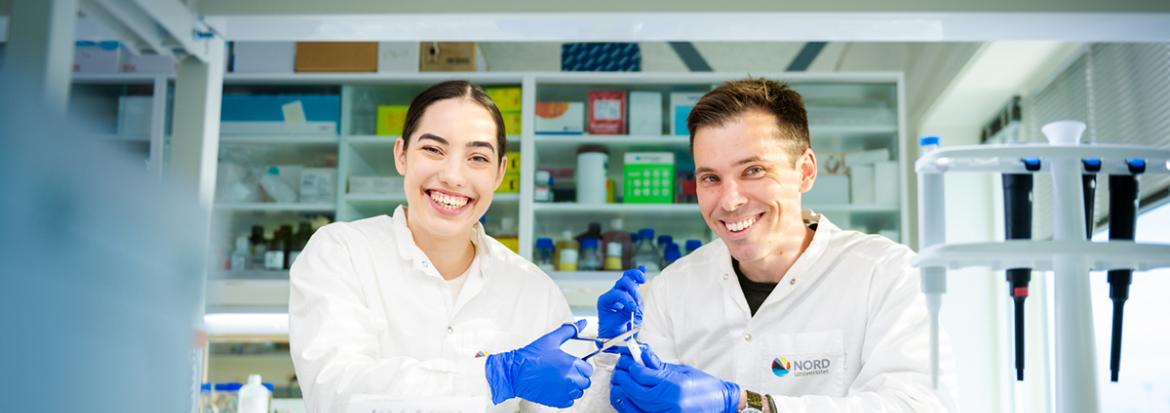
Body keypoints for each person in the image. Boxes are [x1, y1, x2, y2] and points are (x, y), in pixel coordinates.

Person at [597, 78, 958, 412]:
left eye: (752, 170)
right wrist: (609, 360)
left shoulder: (886, 273)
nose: (730, 201)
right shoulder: (672, 290)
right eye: (711, 178)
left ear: (805, 171)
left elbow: (918, 404)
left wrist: (748, 403)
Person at [289, 80, 592, 412]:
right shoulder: (342, 253)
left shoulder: (533, 290)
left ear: (499, 173)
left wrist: (614, 370)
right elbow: (337, 392)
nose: (452, 176)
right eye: (433, 149)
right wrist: (494, 378)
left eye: (477, 157)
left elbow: (569, 405)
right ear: (401, 155)